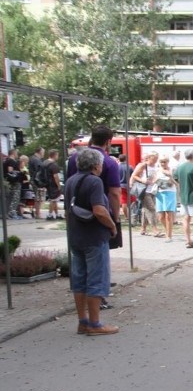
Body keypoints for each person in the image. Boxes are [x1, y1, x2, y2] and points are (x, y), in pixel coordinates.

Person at [64, 147, 119, 336]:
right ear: (97, 165)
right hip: (94, 237)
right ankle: (95, 324)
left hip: (75, 236)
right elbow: (99, 210)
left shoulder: (70, 181)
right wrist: (112, 226)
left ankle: (83, 322)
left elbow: (67, 212)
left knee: (79, 280)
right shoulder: (94, 182)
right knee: (96, 279)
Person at [67, 125, 121, 227]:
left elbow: (69, 185)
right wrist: (115, 218)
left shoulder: (74, 158)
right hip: (99, 215)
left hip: (75, 212)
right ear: (108, 142)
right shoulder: (109, 162)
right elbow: (114, 193)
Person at [129, 152, 161, 236]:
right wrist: (143, 180)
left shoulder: (155, 166)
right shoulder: (143, 165)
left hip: (153, 190)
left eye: (156, 159)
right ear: (149, 158)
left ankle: (143, 229)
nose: (155, 161)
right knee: (151, 209)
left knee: (145, 210)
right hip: (144, 190)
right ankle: (155, 230)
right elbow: (134, 175)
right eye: (154, 159)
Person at [155, 156, 178, 242]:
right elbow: (153, 181)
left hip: (170, 192)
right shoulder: (158, 170)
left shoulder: (172, 170)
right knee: (160, 216)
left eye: (164, 162)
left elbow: (177, 184)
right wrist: (156, 180)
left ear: (168, 162)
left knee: (168, 215)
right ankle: (168, 230)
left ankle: (169, 235)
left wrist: (170, 177)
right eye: (161, 162)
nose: (163, 164)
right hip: (160, 193)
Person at [43, 150, 63, 220]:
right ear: (54, 155)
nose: (58, 157)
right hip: (53, 184)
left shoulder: (45, 162)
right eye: (57, 155)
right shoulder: (53, 164)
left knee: (54, 199)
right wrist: (58, 185)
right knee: (53, 200)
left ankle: (57, 214)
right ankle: (50, 215)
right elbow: (55, 176)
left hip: (47, 183)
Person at [4, 148, 22, 220]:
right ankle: (12, 213)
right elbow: (10, 171)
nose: (17, 155)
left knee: (9, 197)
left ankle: (9, 213)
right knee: (15, 197)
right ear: (13, 153)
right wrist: (18, 173)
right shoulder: (11, 161)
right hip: (13, 182)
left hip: (8, 182)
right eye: (16, 153)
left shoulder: (6, 160)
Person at [29, 147, 46, 219]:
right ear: (40, 152)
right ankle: (37, 213)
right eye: (43, 152)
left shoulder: (32, 158)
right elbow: (40, 171)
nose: (44, 154)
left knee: (37, 197)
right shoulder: (37, 160)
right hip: (37, 181)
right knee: (38, 198)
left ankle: (36, 212)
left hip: (34, 180)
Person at [117, 153, 131, 222]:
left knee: (124, 201)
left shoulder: (117, 167)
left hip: (120, 185)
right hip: (128, 185)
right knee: (133, 200)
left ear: (119, 159)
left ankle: (126, 216)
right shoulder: (129, 167)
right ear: (126, 159)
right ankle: (132, 214)